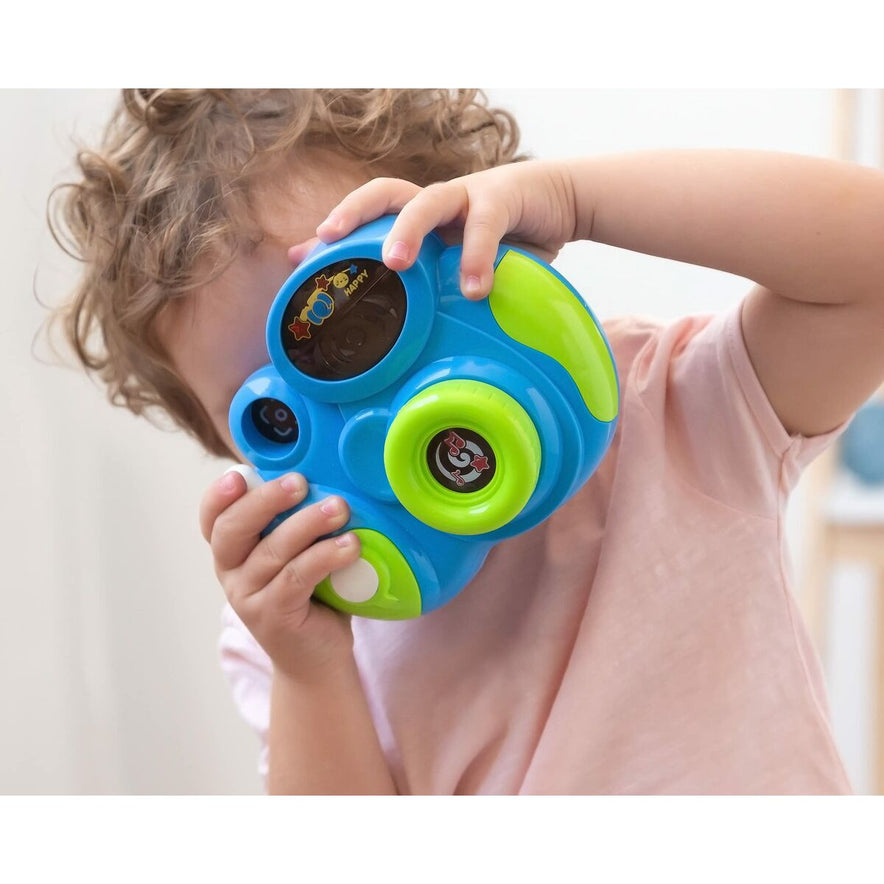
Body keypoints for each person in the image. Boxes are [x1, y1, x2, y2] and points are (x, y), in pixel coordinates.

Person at [48, 88, 884, 795]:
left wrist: (577, 198)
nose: (365, 421)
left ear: (473, 230)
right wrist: (311, 670)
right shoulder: (294, 614)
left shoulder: (676, 408)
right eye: (277, 412)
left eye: (359, 325)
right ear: (224, 439)